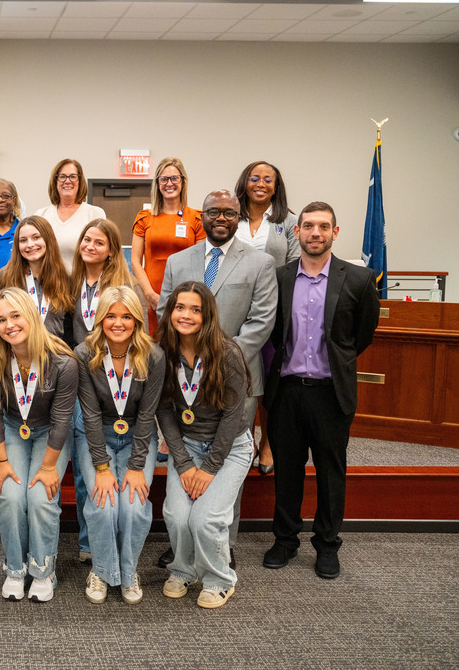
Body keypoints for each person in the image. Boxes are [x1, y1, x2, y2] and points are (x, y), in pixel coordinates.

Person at [262, 202, 380, 579]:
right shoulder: (279, 277)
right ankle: (285, 540)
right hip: (287, 391)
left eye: (323, 226)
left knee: (331, 472)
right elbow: (273, 332)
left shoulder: (359, 279)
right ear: (297, 232)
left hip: (331, 393)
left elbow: (362, 335)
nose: (316, 233)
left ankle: (327, 544)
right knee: (288, 471)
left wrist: (338, 361)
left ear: (335, 232)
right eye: (309, 226)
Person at [158, 189, 276, 565]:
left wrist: (220, 360)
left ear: (239, 217)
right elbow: (165, 311)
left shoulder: (260, 262)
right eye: (213, 212)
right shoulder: (178, 261)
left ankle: (222, 541)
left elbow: (262, 320)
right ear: (202, 217)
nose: (221, 218)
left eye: (228, 212)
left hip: (237, 376)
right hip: (183, 376)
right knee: (189, 446)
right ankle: (185, 540)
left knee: (226, 453)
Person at [156, 281, 253, 609]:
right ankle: (183, 570)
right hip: (187, 446)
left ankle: (219, 580)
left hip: (230, 448)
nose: (185, 315)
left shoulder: (227, 353)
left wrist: (209, 468)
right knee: (176, 515)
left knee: (206, 519)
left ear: (207, 315)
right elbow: (164, 411)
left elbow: (232, 418)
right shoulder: (163, 353)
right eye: (179, 307)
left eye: (195, 309)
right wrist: (184, 463)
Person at [0, 287, 77, 603]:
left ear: (32, 316)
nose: (9, 325)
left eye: (16, 316)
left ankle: (43, 569)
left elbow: (62, 420)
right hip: (12, 428)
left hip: (50, 433)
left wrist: (48, 467)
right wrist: (0, 461)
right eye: (1, 320)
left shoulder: (63, 360)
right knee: (9, 495)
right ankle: (14, 569)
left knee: (40, 497)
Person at [75, 287, 164, 605]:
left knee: (134, 506)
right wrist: (101, 467)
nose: (118, 323)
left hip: (138, 436)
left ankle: (128, 572)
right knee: (103, 503)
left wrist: (136, 466)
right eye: (111, 315)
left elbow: (148, 414)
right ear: (100, 319)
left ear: (137, 320)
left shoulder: (154, 356)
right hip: (95, 434)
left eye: (126, 316)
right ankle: (101, 570)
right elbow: (89, 413)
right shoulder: (84, 354)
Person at [233, 160, 300, 474]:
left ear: (276, 186)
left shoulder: (288, 221)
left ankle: (268, 442)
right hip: (235, 312)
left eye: (268, 179)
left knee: (271, 383)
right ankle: (242, 440)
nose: (260, 183)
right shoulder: (232, 216)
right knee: (239, 378)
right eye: (254, 178)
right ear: (245, 182)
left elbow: (295, 266)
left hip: (273, 313)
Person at [130, 157, 205, 332]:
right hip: (150, 295)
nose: (169, 183)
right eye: (163, 179)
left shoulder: (196, 218)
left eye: (174, 178)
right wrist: (149, 293)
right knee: (153, 342)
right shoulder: (144, 217)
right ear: (157, 184)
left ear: (183, 182)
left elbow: (201, 263)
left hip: (186, 296)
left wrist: (189, 299)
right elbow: (135, 261)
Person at [0, 214, 73, 339]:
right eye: (23, 240)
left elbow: (69, 326)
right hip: (19, 349)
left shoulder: (65, 277)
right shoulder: (5, 276)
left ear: (48, 239)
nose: (30, 244)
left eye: (36, 237)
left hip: (55, 349)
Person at [69, 218, 143, 347]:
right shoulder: (71, 283)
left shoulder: (129, 286)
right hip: (79, 356)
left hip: (115, 356)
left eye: (99, 243)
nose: (90, 247)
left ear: (111, 251)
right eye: (87, 240)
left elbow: (141, 333)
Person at [31, 158, 106, 273]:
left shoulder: (95, 214)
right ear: (55, 181)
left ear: (80, 181)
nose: (67, 181)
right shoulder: (41, 215)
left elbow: (103, 253)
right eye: (62, 176)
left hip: (82, 282)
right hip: (48, 281)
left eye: (73, 176)